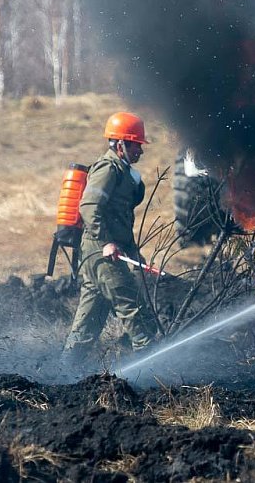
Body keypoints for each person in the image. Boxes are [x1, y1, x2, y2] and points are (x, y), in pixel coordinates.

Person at [62, 112, 159, 368]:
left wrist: (133, 252)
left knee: (87, 326)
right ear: (120, 145)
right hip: (100, 253)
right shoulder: (108, 168)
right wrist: (106, 242)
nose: (140, 150)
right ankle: (152, 372)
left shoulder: (123, 171)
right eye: (135, 144)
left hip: (103, 253)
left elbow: (119, 220)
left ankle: (63, 373)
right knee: (133, 309)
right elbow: (89, 206)